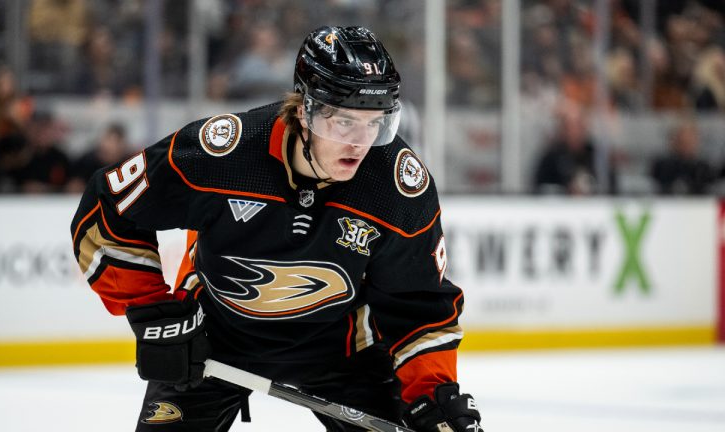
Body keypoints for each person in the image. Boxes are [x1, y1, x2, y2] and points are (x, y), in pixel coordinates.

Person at [70, 26, 483, 432]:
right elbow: (108, 210)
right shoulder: (225, 154)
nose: (361, 143)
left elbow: (418, 304)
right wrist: (155, 314)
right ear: (304, 110)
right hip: (213, 341)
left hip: (343, 353)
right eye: (344, 123)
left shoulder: (396, 187)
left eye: (375, 123)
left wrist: (432, 393)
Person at [649, 119, 716, 195]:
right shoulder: (661, 166)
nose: (686, 144)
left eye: (690, 141)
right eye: (682, 140)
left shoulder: (705, 167)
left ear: (697, 141)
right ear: (673, 142)